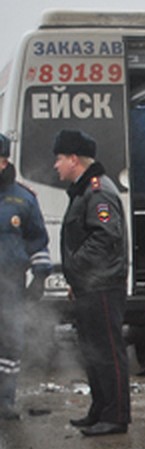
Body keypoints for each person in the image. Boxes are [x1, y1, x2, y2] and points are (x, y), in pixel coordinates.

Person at [53, 129, 130, 436]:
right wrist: (76, 279)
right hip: (89, 285)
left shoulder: (98, 191)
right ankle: (100, 409)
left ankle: (116, 415)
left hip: (102, 286)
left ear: (74, 159)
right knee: (92, 352)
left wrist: (76, 265)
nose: (55, 166)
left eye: (59, 159)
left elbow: (105, 236)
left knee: (108, 351)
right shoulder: (84, 190)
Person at [0, 134, 52, 420]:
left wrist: (41, 276)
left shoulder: (23, 199)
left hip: (10, 282)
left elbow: (37, 240)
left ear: (4, 161)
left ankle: (5, 399)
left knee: (9, 341)